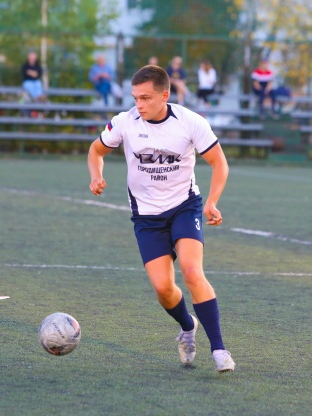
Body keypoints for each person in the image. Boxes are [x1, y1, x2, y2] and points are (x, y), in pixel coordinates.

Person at [87, 65, 235, 373]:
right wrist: (96, 175)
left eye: (145, 98)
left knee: (192, 271)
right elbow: (95, 150)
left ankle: (219, 349)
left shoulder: (190, 122)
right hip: (146, 217)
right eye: (135, 98)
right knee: (164, 289)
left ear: (164, 95)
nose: (139, 104)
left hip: (184, 207)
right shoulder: (124, 122)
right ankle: (187, 327)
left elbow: (219, 163)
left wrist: (212, 202)